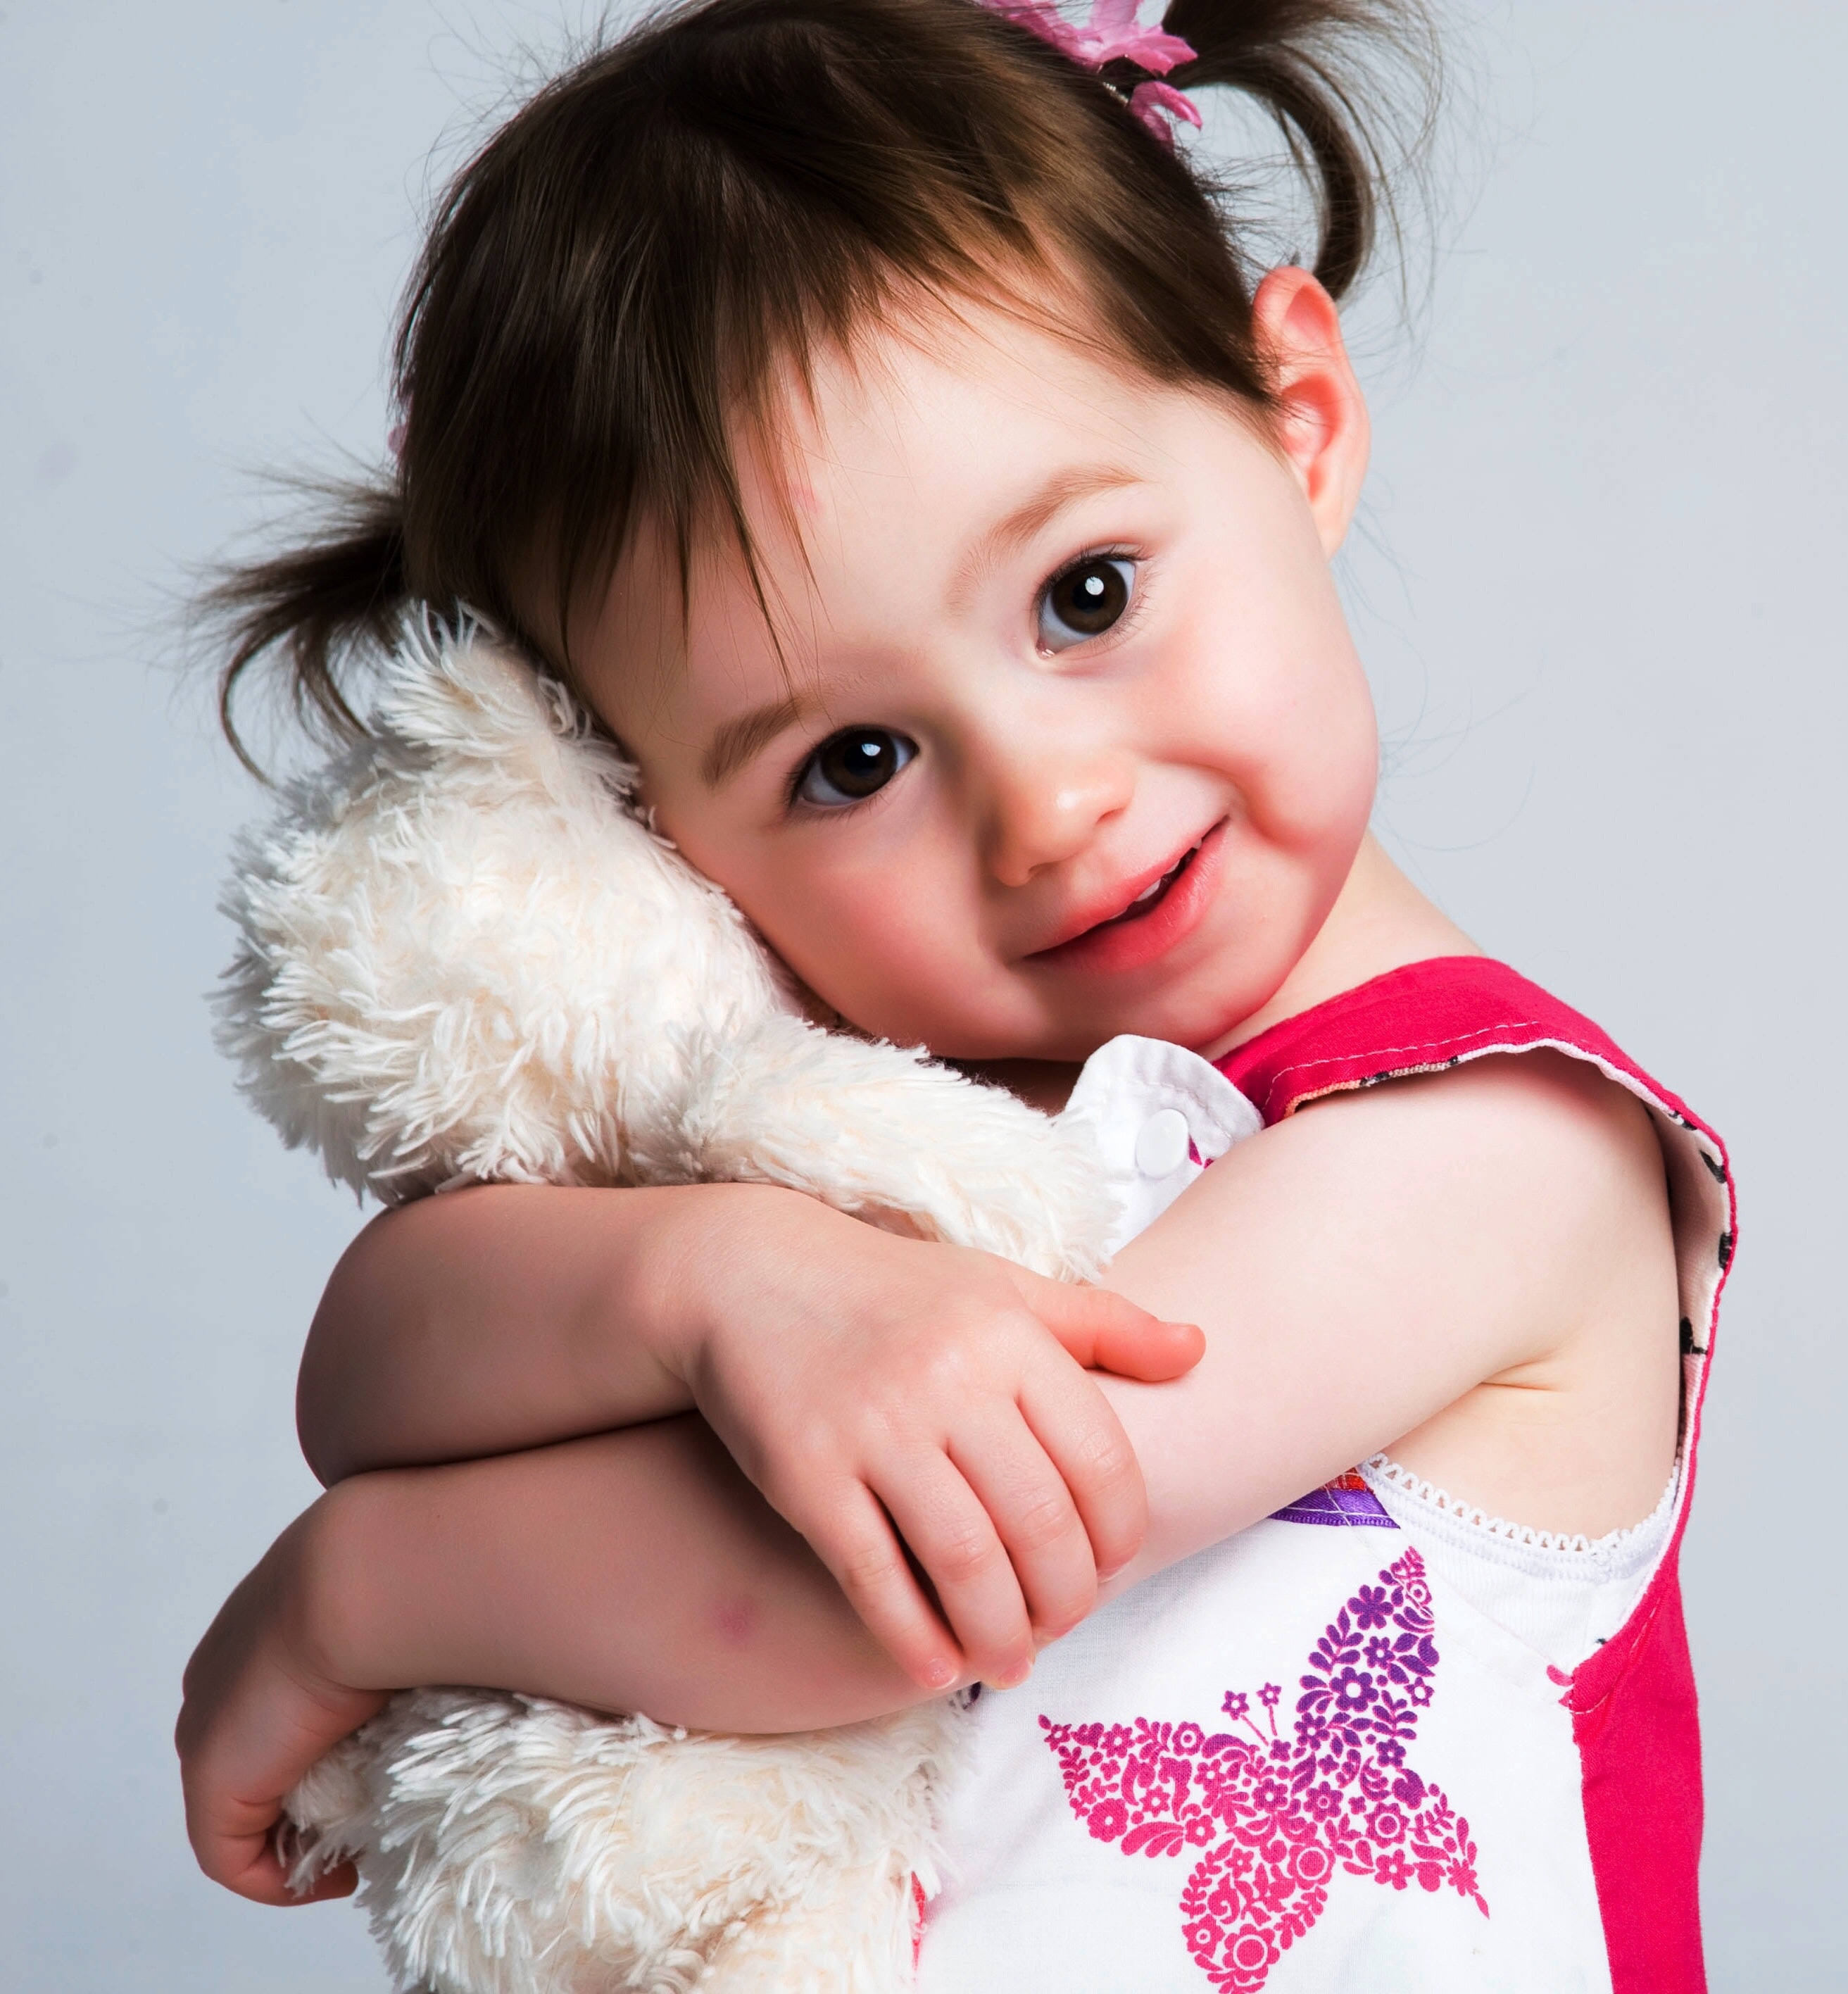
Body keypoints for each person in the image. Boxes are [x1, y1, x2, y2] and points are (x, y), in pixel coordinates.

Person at [175, 1, 1734, 1986]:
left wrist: (354, 1594)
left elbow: (912, 1590)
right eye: (849, 763)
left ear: (1294, 424)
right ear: (652, 832)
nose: (1045, 804)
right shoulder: (860, 1151)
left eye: (1084, 594)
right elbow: (378, 1360)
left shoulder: (1490, 1145)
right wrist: (716, 1283)